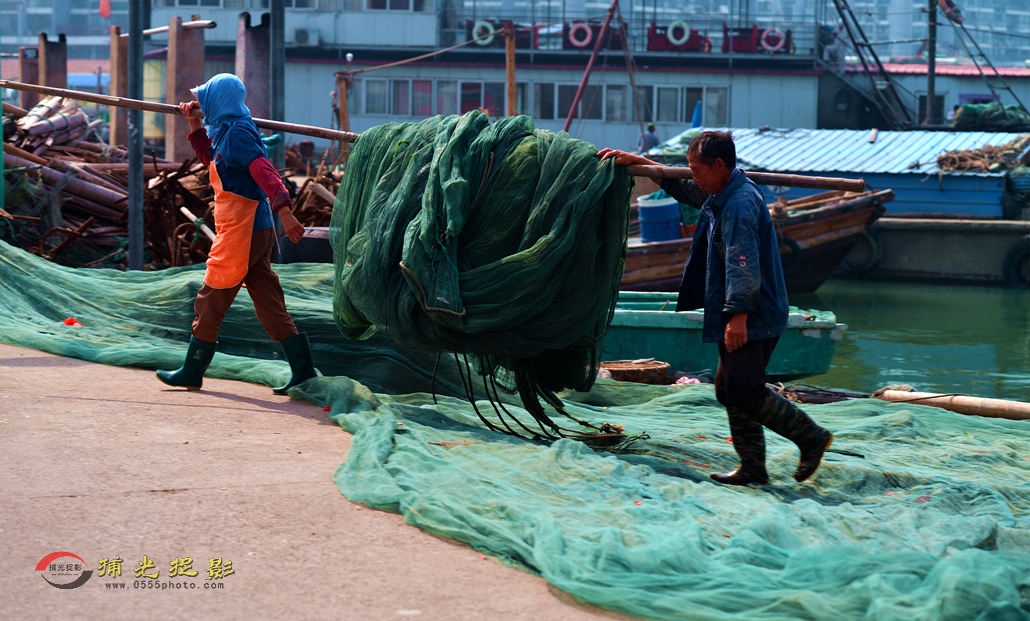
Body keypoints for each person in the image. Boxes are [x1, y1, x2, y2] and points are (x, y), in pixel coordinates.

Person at [598, 131, 833, 486]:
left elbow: (743, 261)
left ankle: (811, 437)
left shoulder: (739, 204)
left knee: (743, 389)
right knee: (728, 388)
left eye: (697, 169)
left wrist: (738, 317)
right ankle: (753, 467)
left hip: (753, 313)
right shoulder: (721, 192)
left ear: (719, 165)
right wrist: (641, 163)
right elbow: (683, 188)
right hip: (739, 309)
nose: (693, 176)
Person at [156, 73, 318, 395]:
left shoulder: (238, 134)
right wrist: (194, 122)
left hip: (243, 231)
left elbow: (263, 170)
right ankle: (303, 370)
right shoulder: (228, 129)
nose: (201, 104)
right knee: (269, 302)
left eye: (205, 100)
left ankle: (192, 370)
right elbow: (211, 159)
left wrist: (285, 210)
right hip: (253, 229)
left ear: (219, 102)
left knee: (211, 297)